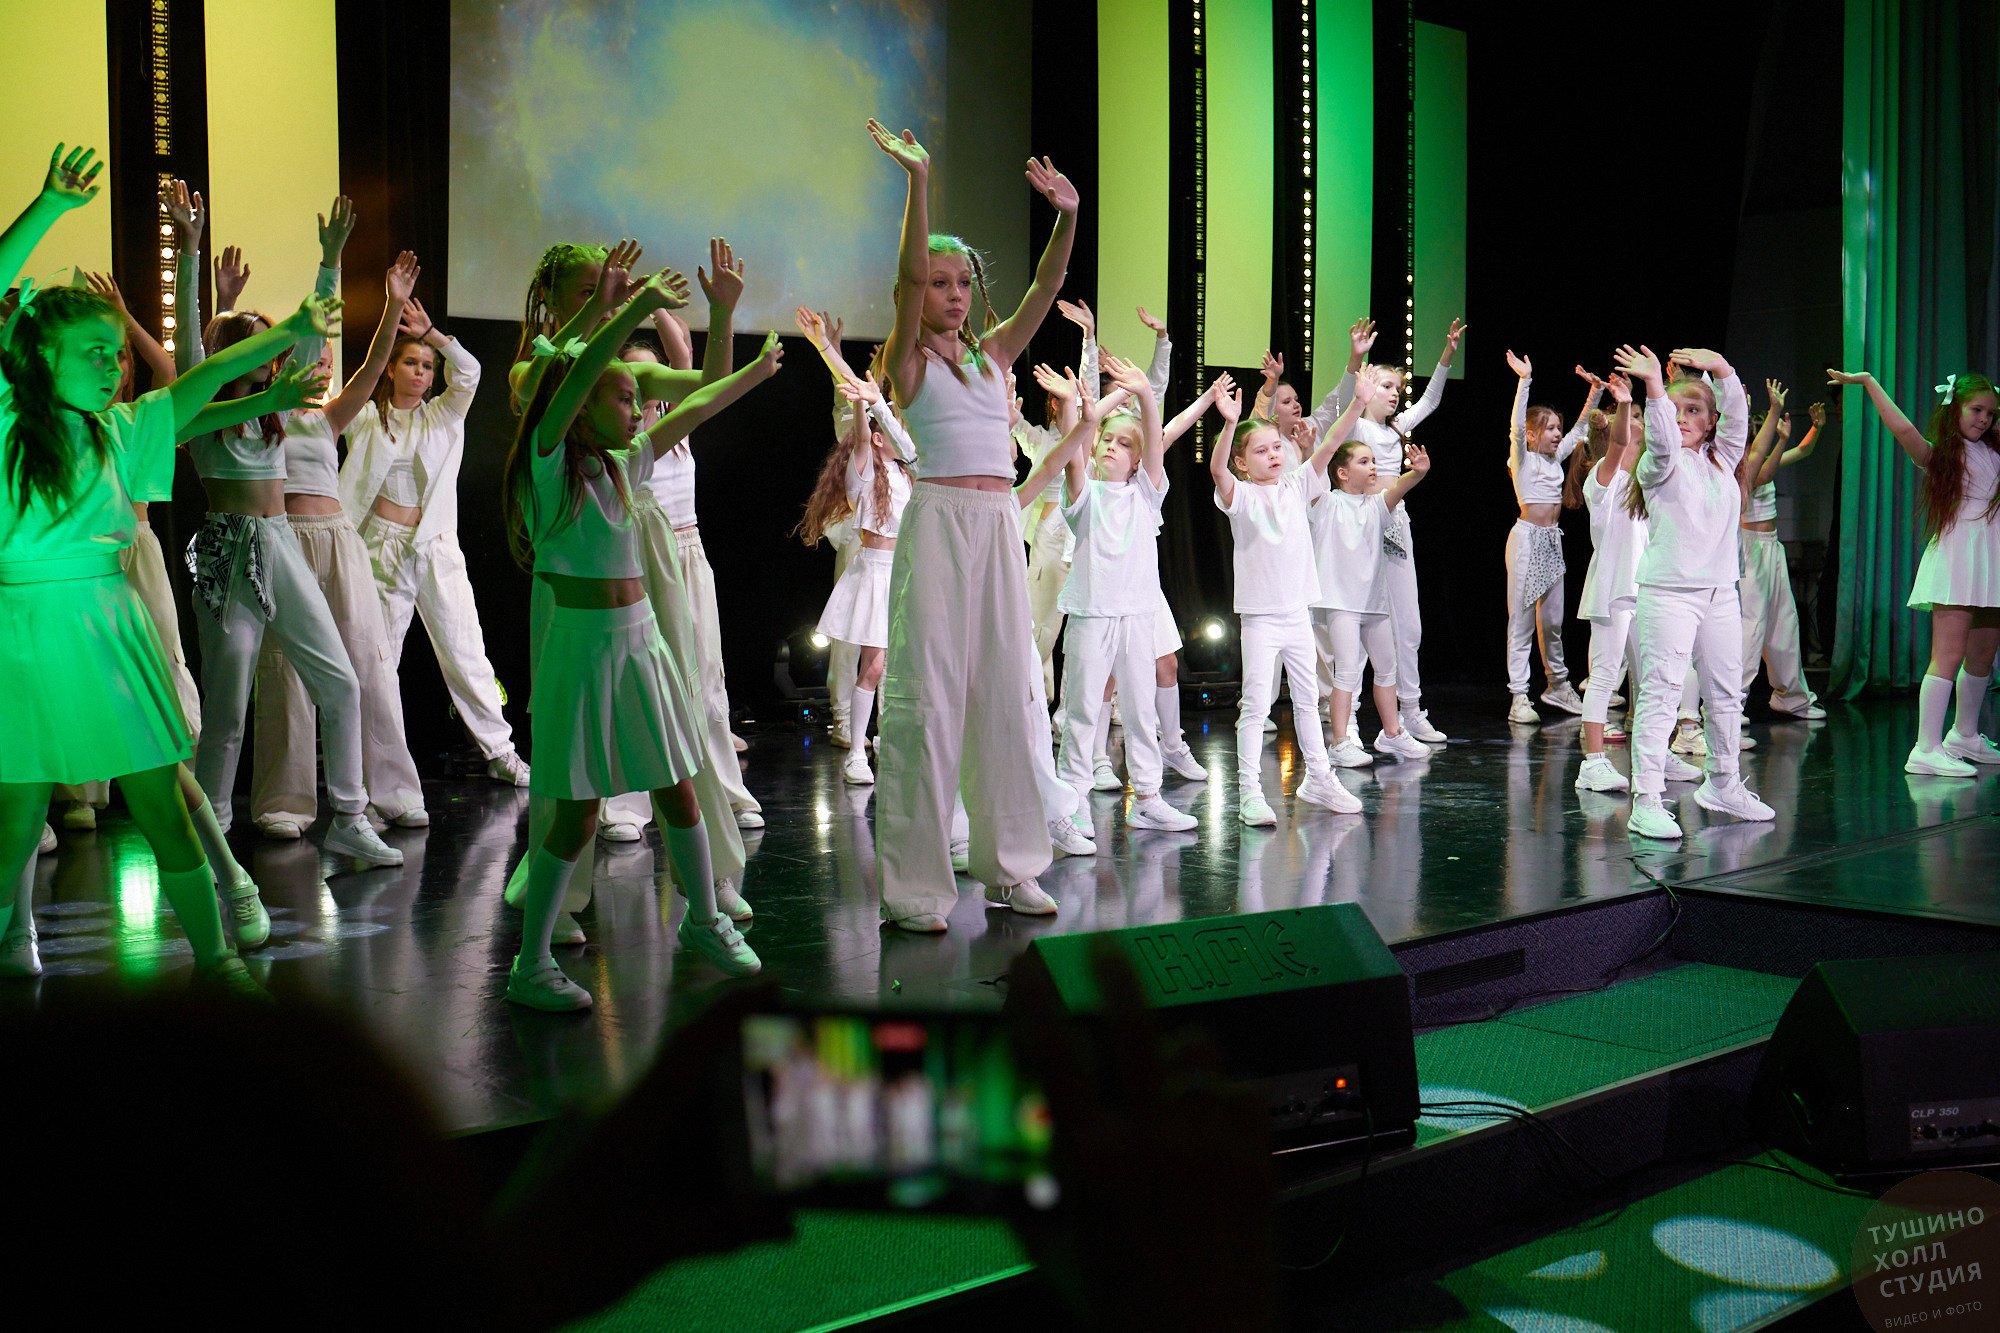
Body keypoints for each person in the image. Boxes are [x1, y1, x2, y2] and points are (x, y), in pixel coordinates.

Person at [0, 145, 337, 992]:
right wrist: (48, 208)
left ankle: (216, 956)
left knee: (162, 800)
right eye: (92, 351)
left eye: (116, 353)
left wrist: (293, 331)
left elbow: (207, 376)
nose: (112, 365)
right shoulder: (6, 422)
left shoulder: (119, 431)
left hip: (109, 629)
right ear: (37, 359)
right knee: (15, 815)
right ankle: (13, 931)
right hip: (26, 634)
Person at [499, 266, 765, 1010]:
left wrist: (756, 369)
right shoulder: (548, 466)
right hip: (582, 653)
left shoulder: (627, 464)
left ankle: (704, 920)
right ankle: (529, 966)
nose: (637, 406)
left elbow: (700, 401)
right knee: (580, 811)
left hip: (641, 643)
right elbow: (581, 370)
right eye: (621, 397)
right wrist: (636, 305)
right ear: (582, 405)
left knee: (678, 787)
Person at [865, 119, 1080, 932]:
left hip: (995, 526)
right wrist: (919, 181)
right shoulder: (909, 361)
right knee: (927, 702)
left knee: (1006, 699)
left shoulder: (994, 357)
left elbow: (1045, 289)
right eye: (940, 282)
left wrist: (1068, 217)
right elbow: (904, 279)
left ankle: (1012, 865)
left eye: (963, 282)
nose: (952, 293)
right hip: (938, 526)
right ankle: (916, 887)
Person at [167, 183, 402, 870]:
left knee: (340, 682)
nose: (270, 359)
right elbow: (190, 347)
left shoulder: (280, 405)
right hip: (226, 552)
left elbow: (312, 334)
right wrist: (188, 251)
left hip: (281, 544)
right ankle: (211, 836)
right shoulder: (203, 407)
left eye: (270, 351)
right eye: (255, 349)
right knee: (228, 710)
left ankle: (349, 817)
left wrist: (331, 259)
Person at [251, 252, 429, 837]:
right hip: (286, 545)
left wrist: (394, 305)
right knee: (286, 671)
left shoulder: (328, 418)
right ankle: (285, 801)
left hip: (338, 543)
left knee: (369, 663)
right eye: (315, 357)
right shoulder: (265, 418)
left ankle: (394, 792)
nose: (323, 366)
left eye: (329, 361)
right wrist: (328, 263)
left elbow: (376, 365)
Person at [339, 296, 527, 786]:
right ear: (391, 368)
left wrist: (435, 337)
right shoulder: (365, 417)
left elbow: (469, 372)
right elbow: (342, 398)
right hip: (380, 547)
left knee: (466, 651)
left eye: (426, 366)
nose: (421, 372)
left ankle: (501, 752)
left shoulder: (444, 415)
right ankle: (371, 769)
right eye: (411, 362)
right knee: (378, 659)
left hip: (436, 543)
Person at [1257, 314, 1466, 744]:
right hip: (1356, 528)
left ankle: (1411, 711)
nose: (1394, 393)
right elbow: (1342, 402)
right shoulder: (1356, 426)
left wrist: (1446, 355)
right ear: (1369, 390)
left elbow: (1429, 401)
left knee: (1407, 625)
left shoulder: (1398, 428)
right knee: (1351, 627)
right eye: (1386, 386)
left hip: (1394, 525)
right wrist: (1355, 363)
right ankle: (1347, 721)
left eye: (1397, 388)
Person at [1614, 344, 1776, 839]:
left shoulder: (1722, 460)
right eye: (1676, 410)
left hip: (1720, 593)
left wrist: (1723, 369)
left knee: (1726, 693)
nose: (1683, 418)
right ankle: (1646, 799)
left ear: (1711, 422)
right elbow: (1662, 441)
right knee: (1661, 694)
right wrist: (1654, 388)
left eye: (1694, 411)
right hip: (1669, 594)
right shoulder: (1658, 465)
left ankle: (1723, 783)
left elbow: (1738, 421)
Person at [1209, 382, 1372, 825]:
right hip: (1260, 620)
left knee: (1307, 700)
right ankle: (1249, 791)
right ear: (1243, 462)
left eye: (1276, 447)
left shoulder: (1297, 485)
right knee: (1255, 706)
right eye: (1260, 451)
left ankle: (1318, 777)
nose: (1273, 455)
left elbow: (1332, 443)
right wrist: (1229, 424)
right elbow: (1217, 470)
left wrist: (1359, 402)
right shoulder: (1242, 495)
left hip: (1297, 613)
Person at [1828, 366, 2000, 775]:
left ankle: (1965, 735)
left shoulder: (1993, 452)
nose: (1983, 419)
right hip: (1959, 557)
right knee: (1949, 653)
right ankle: (1925, 748)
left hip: (1991, 558)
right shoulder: (1944, 456)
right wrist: (1869, 383)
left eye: (1991, 413)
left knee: (1983, 653)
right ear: (1955, 408)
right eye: (1976, 410)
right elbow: (1904, 430)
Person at [1052, 355, 1198, 832]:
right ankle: (1072, 801)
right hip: (1092, 614)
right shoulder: (1084, 495)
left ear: (1137, 460)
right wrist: (1076, 408)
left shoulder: (1146, 494)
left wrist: (1145, 396)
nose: (1112, 447)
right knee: (1082, 710)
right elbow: (1074, 451)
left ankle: (1149, 798)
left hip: (1137, 615)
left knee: (1139, 710)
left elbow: (1156, 442)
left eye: (1124, 443)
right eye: (1107, 440)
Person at [798, 364, 913, 787]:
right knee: (874, 665)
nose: (898, 433)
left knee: (898, 668)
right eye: (890, 429)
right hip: (875, 574)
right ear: (879, 438)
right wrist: (864, 405)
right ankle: (856, 756)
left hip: (904, 575)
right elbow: (862, 438)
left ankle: (888, 740)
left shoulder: (906, 473)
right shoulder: (863, 474)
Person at [1312, 438, 1433, 768]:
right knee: (1346, 672)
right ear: (1342, 472)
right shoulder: (1328, 502)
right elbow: (1311, 474)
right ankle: (1340, 742)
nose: (1373, 467)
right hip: (1342, 604)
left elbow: (1400, 488)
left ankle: (1392, 733)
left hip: (1374, 603)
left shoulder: (1377, 505)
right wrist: (1310, 449)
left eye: (1374, 461)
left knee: (1387, 667)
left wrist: (1418, 473)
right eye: (1363, 462)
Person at [1501, 353, 1599, 724]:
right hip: (1526, 540)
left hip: (1551, 541)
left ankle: (1557, 684)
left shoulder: (1555, 460)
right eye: (1550, 429)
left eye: (1558, 427)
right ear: (1532, 435)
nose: (1558, 433)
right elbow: (1515, 426)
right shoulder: (1523, 459)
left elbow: (1581, 428)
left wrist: (1594, 392)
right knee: (1522, 621)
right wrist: (1524, 381)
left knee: (1553, 621)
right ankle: (1519, 696)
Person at [1737, 398, 1826, 720]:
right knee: (1751, 627)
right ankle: (1731, 704)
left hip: (1772, 547)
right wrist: (1781, 442)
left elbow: (1803, 450)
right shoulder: (1738, 463)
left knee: (1784, 624)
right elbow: (1762, 475)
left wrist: (1816, 428)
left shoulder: (1765, 457)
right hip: (1749, 550)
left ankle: (1792, 697)